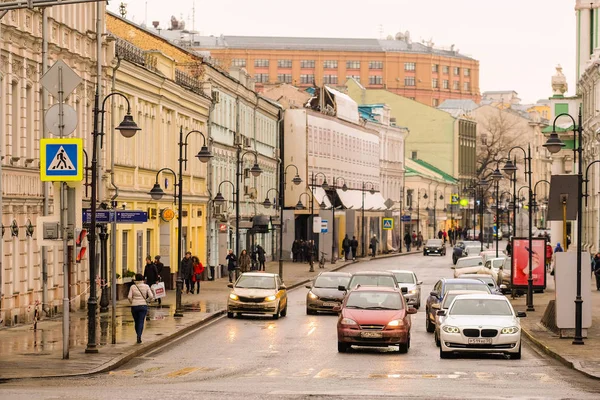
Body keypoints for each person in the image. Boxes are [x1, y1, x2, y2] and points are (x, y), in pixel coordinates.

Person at [127, 273, 154, 344]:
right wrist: (146, 301)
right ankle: (139, 336)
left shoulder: (132, 287)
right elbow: (151, 296)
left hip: (134, 306)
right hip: (143, 306)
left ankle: (138, 334)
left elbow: (129, 297)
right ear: (142, 279)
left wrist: (132, 302)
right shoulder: (146, 286)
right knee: (141, 321)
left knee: (136, 321)